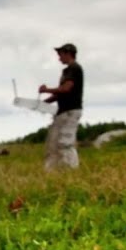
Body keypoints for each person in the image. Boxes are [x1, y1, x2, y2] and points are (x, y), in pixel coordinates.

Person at [38, 43, 85, 171]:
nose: (59, 58)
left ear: (67, 53)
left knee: (65, 142)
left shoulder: (74, 68)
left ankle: (72, 170)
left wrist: (46, 90)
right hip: (62, 112)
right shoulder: (67, 71)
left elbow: (66, 89)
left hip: (71, 111)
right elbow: (60, 94)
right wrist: (42, 103)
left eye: (60, 55)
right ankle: (51, 172)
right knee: (52, 143)